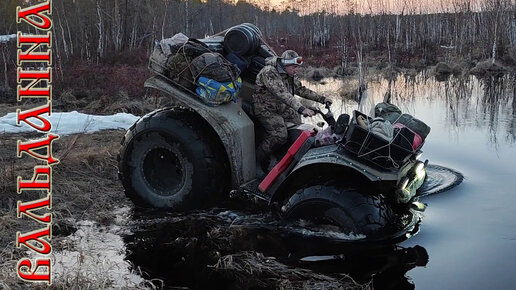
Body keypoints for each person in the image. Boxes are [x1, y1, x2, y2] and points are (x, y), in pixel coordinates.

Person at [252, 49, 332, 172]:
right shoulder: (269, 72)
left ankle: (290, 156)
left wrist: (322, 99)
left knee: (299, 125)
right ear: (286, 65)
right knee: (280, 135)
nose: (296, 70)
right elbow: (283, 94)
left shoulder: (289, 74)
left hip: (281, 107)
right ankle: (259, 160)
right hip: (266, 109)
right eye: (294, 67)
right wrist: (301, 108)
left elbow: (301, 90)